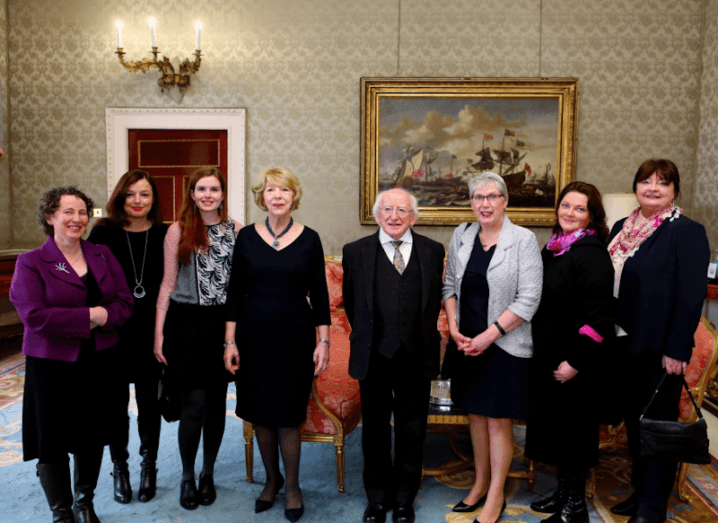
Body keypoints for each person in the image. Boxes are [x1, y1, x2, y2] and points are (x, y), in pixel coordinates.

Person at [10, 186, 133, 523]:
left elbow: (124, 302)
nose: (76, 219)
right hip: (51, 363)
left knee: (91, 434)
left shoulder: (103, 255)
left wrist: (108, 314)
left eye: (82, 212)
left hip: (99, 359)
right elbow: (34, 316)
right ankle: (61, 512)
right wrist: (91, 316)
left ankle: (84, 503)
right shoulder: (31, 262)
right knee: (52, 438)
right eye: (68, 212)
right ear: (50, 217)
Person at [224, 166, 330, 523]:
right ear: (262, 196)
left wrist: (324, 341)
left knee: (287, 416)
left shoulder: (310, 238)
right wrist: (229, 341)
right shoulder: (247, 238)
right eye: (271, 190)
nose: (278, 196)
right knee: (260, 416)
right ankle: (271, 481)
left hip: (294, 336)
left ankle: (294, 488)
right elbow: (234, 292)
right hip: (253, 335)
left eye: (285, 190)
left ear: (293, 196)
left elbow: (321, 295)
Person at [607, 159, 710, 523]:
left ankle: (654, 505)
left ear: (674, 190)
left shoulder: (686, 231)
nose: (652, 188)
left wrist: (677, 348)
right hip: (621, 343)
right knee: (635, 423)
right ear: (635, 186)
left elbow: (691, 294)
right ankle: (640, 490)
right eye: (645, 181)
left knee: (658, 424)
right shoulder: (622, 228)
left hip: (658, 346)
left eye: (662, 183)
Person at [443, 172, 542, 523]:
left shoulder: (523, 239)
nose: (484, 204)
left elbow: (529, 299)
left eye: (491, 197)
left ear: (504, 201)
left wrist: (489, 336)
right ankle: (480, 482)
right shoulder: (463, 235)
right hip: (466, 343)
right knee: (475, 416)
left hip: (504, 345)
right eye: (477, 197)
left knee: (498, 421)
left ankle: (496, 494)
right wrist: (454, 329)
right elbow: (449, 287)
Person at [342, 187, 445, 523]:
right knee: (373, 429)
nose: (394, 216)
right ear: (377, 214)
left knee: (412, 428)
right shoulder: (356, 252)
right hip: (373, 353)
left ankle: (404, 499)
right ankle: (376, 497)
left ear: (413, 216)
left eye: (402, 210)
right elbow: (352, 302)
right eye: (387, 209)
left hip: (417, 354)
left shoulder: (432, 251)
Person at [525, 182, 615, 523]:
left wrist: (575, 362)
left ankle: (575, 507)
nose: (570, 213)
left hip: (576, 363)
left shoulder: (591, 252)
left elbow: (601, 317)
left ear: (591, 216)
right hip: (550, 356)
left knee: (574, 436)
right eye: (566, 205)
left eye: (580, 209)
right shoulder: (554, 248)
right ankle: (563, 492)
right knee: (557, 433)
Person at [154, 167, 241, 511]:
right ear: (191, 193)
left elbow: (242, 284)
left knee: (217, 404)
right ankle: (187, 476)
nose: (208, 194)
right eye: (201, 189)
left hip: (224, 326)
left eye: (214, 189)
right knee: (194, 405)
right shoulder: (177, 231)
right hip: (185, 326)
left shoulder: (237, 231)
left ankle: (208, 474)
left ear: (222, 194)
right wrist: (158, 333)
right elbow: (167, 283)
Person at [88, 170, 168, 504]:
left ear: (154, 199)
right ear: (121, 197)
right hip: (113, 330)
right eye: (131, 194)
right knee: (114, 406)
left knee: (150, 404)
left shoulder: (165, 233)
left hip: (151, 332)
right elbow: (88, 280)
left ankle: (149, 467)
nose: (137, 201)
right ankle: (119, 467)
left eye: (145, 194)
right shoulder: (103, 232)